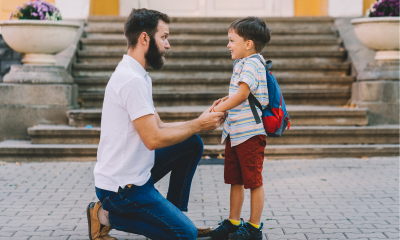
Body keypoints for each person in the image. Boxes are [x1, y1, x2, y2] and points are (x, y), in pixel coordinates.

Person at [86, 8, 225, 240]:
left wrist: (199, 121)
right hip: (121, 190)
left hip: (136, 173)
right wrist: (199, 124)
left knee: (192, 143)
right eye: (164, 37)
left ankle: (173, 214)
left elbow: (159, 126)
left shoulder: (138, 74)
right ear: (144, 38)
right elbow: (154, 139)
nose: (167, 45)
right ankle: (103, 216)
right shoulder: (132, 80)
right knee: (185, 235)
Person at [208, 17, 271, 240]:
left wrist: (216, 112)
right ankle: (234, 222)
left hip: (250, 134)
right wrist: (224, 101)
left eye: (232, 40)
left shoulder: (254, 62)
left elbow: (243, 95)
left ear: (248, 44)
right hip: (235, 133)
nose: (228, 45)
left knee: (253, 181)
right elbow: (240, 94)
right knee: (236, 179)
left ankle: (254, 227)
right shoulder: (241, 63)